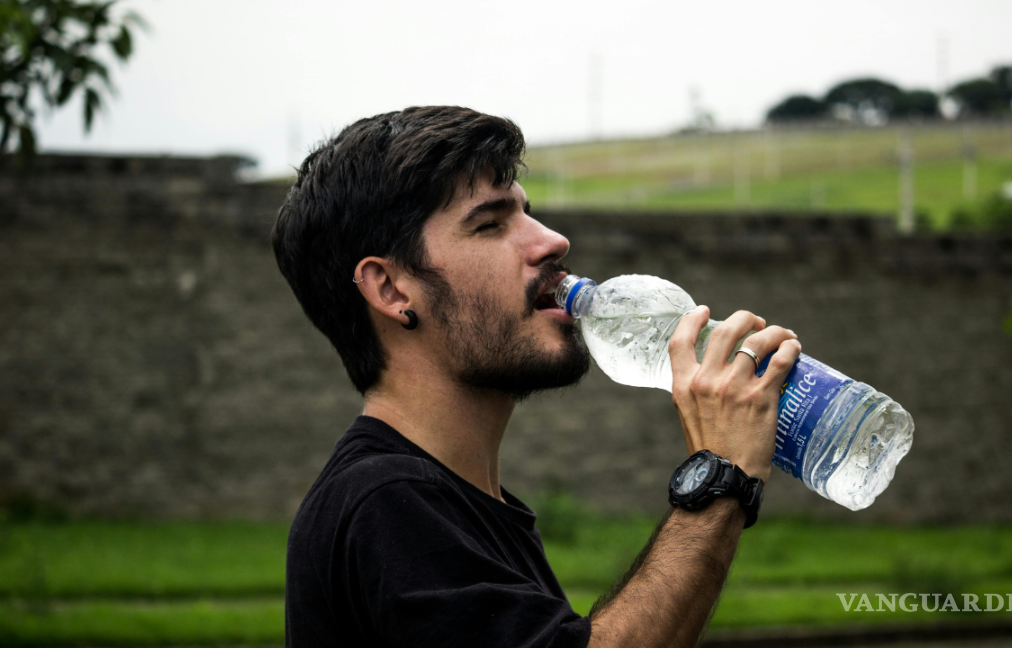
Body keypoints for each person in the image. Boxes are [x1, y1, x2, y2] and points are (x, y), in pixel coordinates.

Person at [271, 105, 800, 648]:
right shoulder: (387, 502)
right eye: (490, 224)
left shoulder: (458, 503)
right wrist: (720, 476)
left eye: (528, 213)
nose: (553, 241)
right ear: (391, 289)